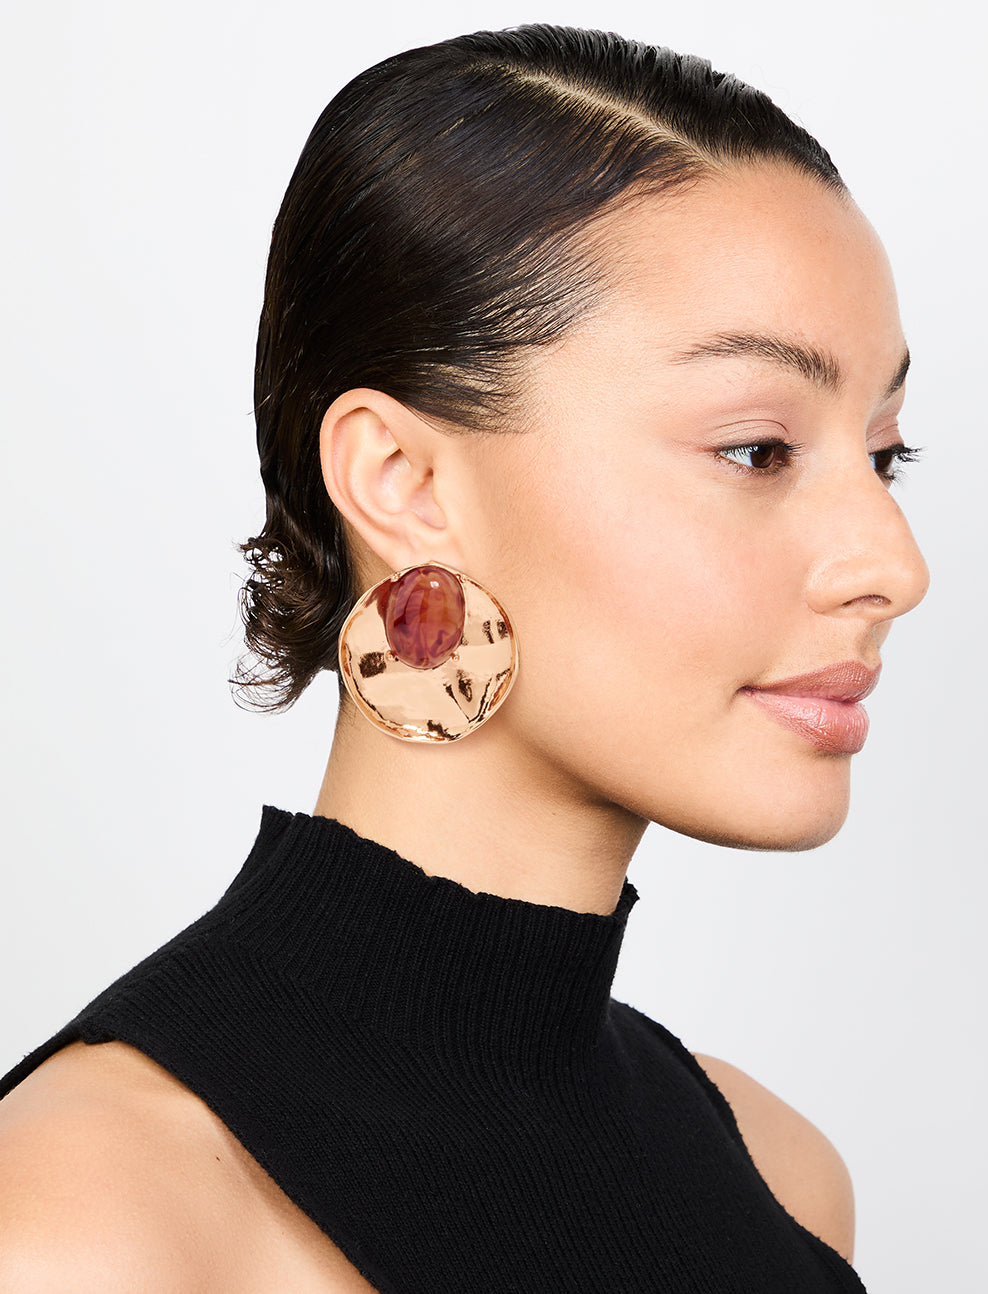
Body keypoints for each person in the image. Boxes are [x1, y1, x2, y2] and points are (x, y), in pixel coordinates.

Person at [0, 23, 928, 1292]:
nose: (892, 567)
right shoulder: (91, 1229)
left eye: (884, 456)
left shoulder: (781, 1176)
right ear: (405, 482)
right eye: (756, 450)